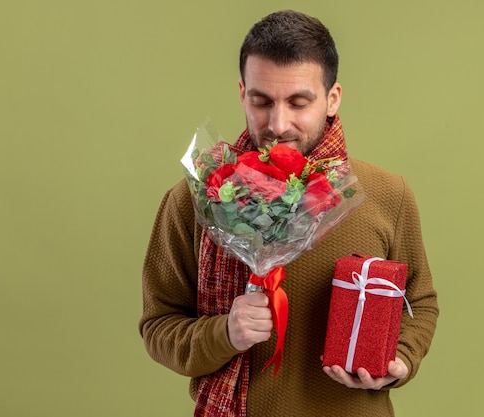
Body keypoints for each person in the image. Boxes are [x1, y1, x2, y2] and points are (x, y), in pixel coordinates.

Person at [139, 9, 438, 417]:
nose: (278, 124)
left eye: (299, 102)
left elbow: (419, 303)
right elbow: (158, 326)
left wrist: (399, 360)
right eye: (261, 101)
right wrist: (225, 332)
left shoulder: (387, 195)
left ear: (332, 99)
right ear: (242, 93)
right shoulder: (195, 199)